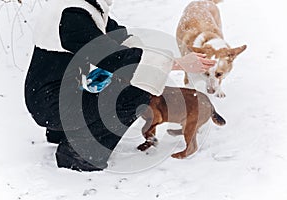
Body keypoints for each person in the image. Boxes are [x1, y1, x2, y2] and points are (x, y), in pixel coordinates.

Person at [24, 0, 215, 172]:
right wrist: (177, 63)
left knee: (122, 79)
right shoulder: (72, 15)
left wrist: (160, 61)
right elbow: (113, 57)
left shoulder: (81, 7)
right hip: (51, 105)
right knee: (136, 94)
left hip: (56, 96)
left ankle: (62, 132)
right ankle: (80, 154)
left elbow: (120, 38)